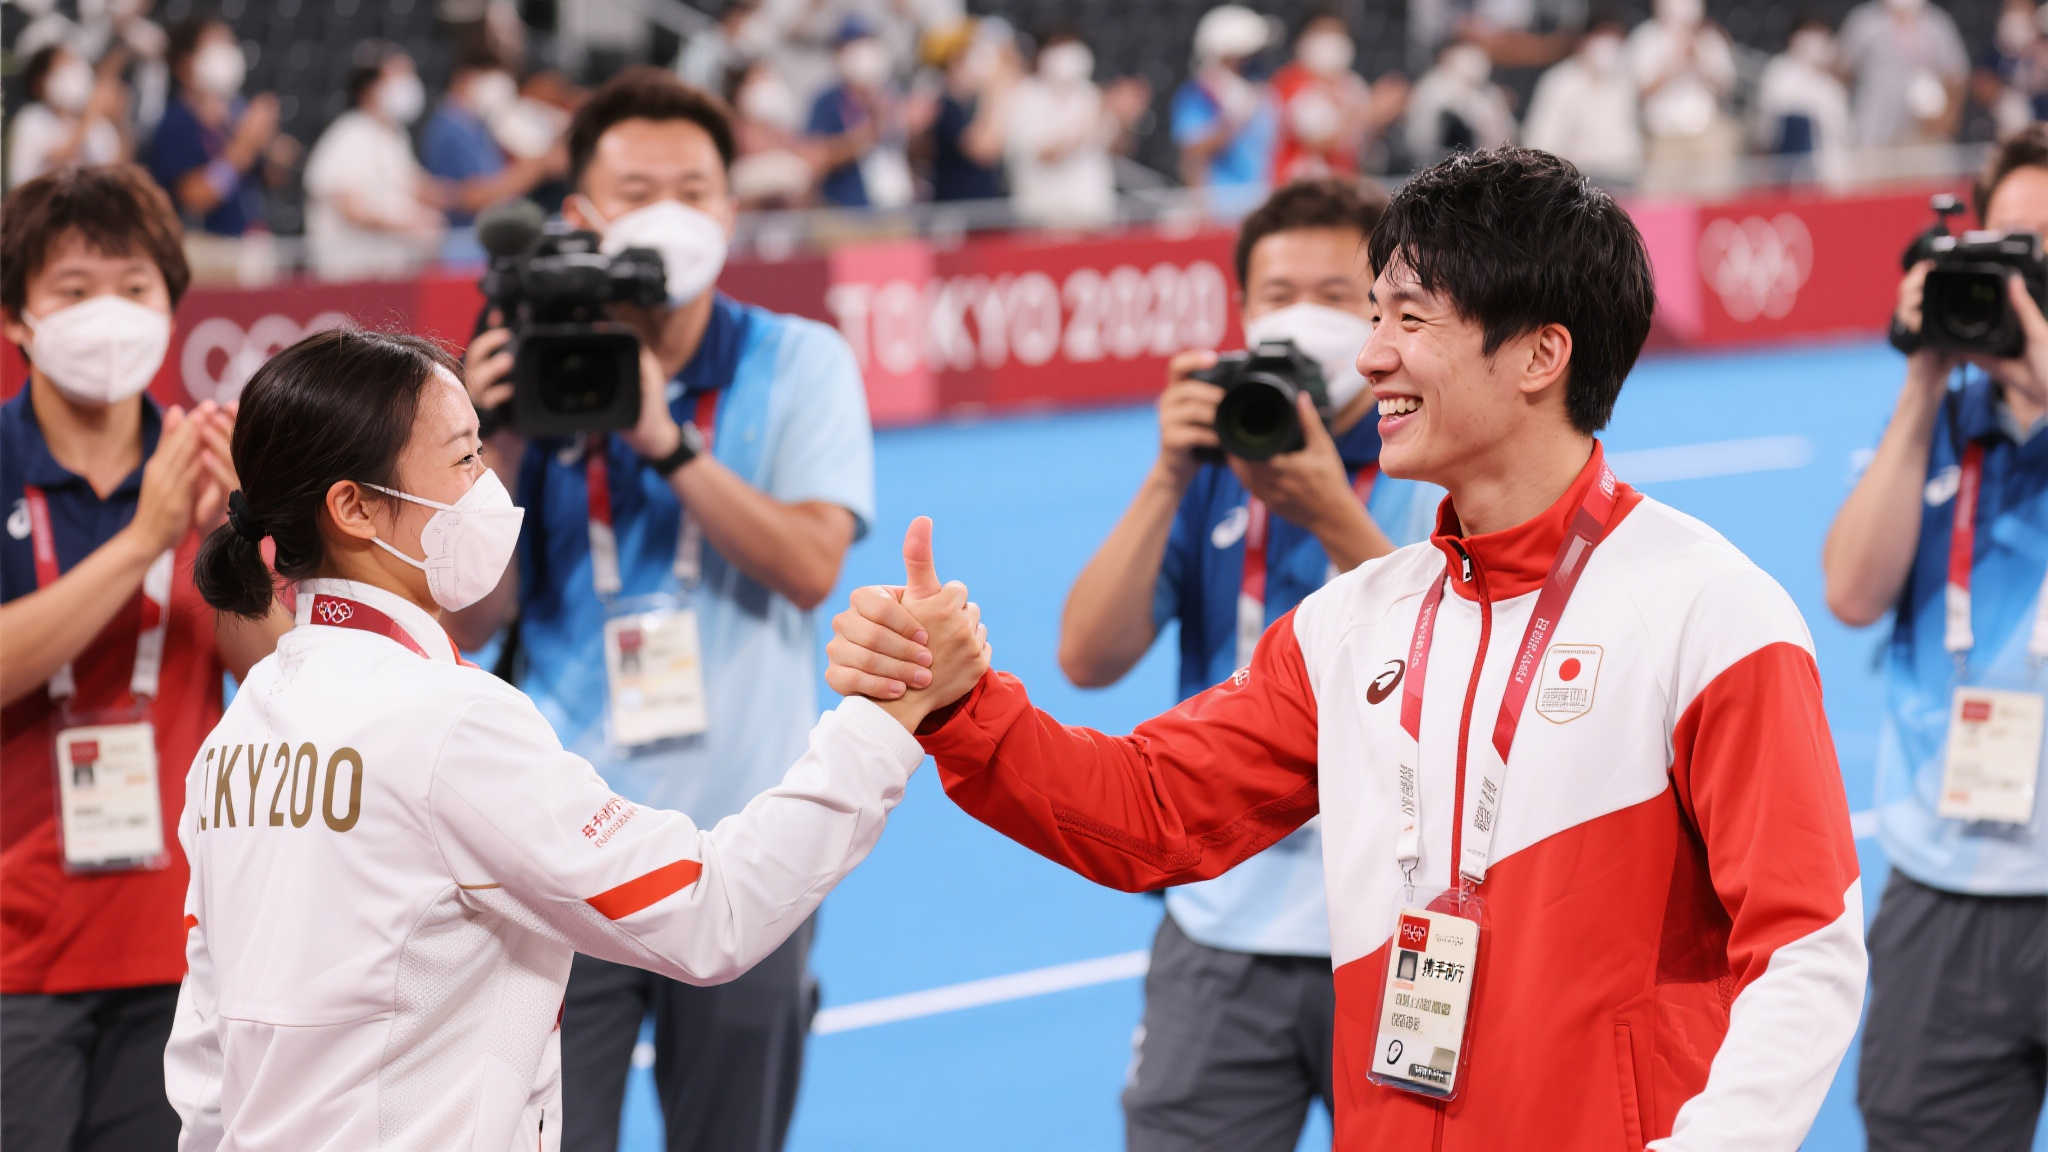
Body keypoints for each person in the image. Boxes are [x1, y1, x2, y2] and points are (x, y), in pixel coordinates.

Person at [826, 147, 1867, 1150]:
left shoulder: (1710, 612)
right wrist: (960, 703)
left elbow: (1805, 947)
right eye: (1374, 316)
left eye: (1408, 319)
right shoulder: (1352, 618)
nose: (1370, 357)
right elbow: (1149, 809)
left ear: (1539, 356)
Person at [163, 326, 986, 1151]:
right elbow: (712, 910)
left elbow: (206, 1050)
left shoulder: (237, 735)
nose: (488, 485)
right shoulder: (448, 723)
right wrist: (886, 718)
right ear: (355, 508)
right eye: (463, 458)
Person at [446, 69, 879, 1152]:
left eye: (693, 189)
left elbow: (810, 567)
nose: (669, 213)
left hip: (748, 841)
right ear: (580, 215)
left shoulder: (798, 358)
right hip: (559, 844)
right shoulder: (519, 364)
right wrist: (492, 446)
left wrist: (666, 442)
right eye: (637, 192)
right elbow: (465, 624)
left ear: (730, 209)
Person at [1059, 177, 1438, 1152]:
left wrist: (1330, 513)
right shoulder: (1217, 464)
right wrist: (1167, 477)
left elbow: (1456, 668)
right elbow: (1086, 657)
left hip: (1406, 929)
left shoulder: (1436, 459)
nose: (1301, 316)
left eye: (1335, 294)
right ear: (1242, 312)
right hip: (1222, 919)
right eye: (1277, 295)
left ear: (1388, 315)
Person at [0, 163, 288, 1152]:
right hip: (15, 953)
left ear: (171, 306)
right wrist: (141, 542)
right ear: (16, 318)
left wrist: (228, 534)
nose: (109, 314)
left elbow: (279, 675)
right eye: (74, 290)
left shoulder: (208, 461)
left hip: (182, 942)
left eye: (134, 288)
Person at [1825, 124, 2048, 1152]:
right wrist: (1921, 382)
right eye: (2011, 248)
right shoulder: (1942, 422)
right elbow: (1850, 591)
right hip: (1945, 893)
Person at [144, 17, 290, 283]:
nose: (226, 53)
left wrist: (271, 145)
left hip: (249, 245)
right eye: (214, 46)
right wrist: (244, 145)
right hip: (204, 252)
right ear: (185, 63)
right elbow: (196, 198)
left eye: (229, 44)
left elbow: (273, 177)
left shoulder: (237, 112)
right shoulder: (175, 122)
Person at [302, 42, 444, 282]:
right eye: (398, 76)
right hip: (350, 279)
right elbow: (350, 209)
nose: (408, 85)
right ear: (370, 87)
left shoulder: (395, 136)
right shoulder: (348, 135)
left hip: (392, 275)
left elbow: (417, 187)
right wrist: (408, 225)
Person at [422, 40, 564, 268]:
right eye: (492, 75)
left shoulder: (478, 125)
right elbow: (470, 198)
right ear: (465, 77)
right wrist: (535, 168)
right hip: (466, 238)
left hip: (488, 231)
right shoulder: (450, 127)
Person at [1004, 32, 1148, 230]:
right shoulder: (1027, 96)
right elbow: (1045, 155)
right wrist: (1090, 120)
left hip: (1092, 215)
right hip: (1046, 218)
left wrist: (1124, 119)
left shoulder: (1088, 94)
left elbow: (1115, 149)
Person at [1267, 12, 1407, 185]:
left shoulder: (1352, 84)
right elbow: (1316, 138)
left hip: (1342, 182)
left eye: (1338, 33)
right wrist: (1370, 115)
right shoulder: (1290, 81)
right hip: (1298, 184)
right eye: (1323, 32)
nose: (1332, 41)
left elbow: (1363, 140)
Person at [1625, 0, 1737, 196]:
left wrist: (1698, 58)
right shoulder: (1646, 37)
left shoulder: (1710, 37)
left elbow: (1725, 87)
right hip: (1663, 137)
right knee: (1663, 201)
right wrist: (1675, 61)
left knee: (1714, 197)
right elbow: (1641, 91)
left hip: (1705, 133)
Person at [1174, 4, 1278, 214]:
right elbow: (1192, 155)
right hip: (1222, 208)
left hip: (1264, 201)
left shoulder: (1262, 92)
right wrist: (1231, 120)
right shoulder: (1198, 95)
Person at [805, 18, 918, 210]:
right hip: (846, 211)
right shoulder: (826, 101)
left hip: (894, 209)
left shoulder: (891, 94)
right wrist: (870, 131)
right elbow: (816, 157)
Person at [1522, 16, 1642, 188]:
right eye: (1602, 38)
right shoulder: (1559, 82)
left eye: (1616, 40)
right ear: (1584, 41)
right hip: (1577, 178)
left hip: (1623, 176)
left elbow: (1630, 140)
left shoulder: (1625, 81)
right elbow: (1541, 139)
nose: (1609, 48)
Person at [1838, 0, 1967, 155]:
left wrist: (1947, 119)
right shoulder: (1864, 21)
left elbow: (1956, 75)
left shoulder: (1937, 23)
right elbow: (1842, 71)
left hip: (1925, 133)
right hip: (1873, 131)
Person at [7, 43, 129, 190]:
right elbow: (55, 165)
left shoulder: (97, 123)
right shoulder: (31, 119)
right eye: (63, 66)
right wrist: (91, 114)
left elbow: (117, 172)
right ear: (40, 81)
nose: (74, 73)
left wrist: (117, 120)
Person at [1752, 18, 1853, 188]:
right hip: (1789, 168)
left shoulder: (1832, 86)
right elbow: (1769, 127)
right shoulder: (1780, 71)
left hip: (1830, 169)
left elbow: (1842, 131)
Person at [926, 18, 1017, 205]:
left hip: (983, 207)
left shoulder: (970, 102)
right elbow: (983, 150)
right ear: (955, 62)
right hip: (958, 210)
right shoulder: (946, 106)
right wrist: (994, 93)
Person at [1402, 38, 1513, 166]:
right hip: (1432, 162)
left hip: (1486, 163)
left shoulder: (1489, 94)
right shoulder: (1431, 88)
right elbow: (1419, 139)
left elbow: (1506, 135)